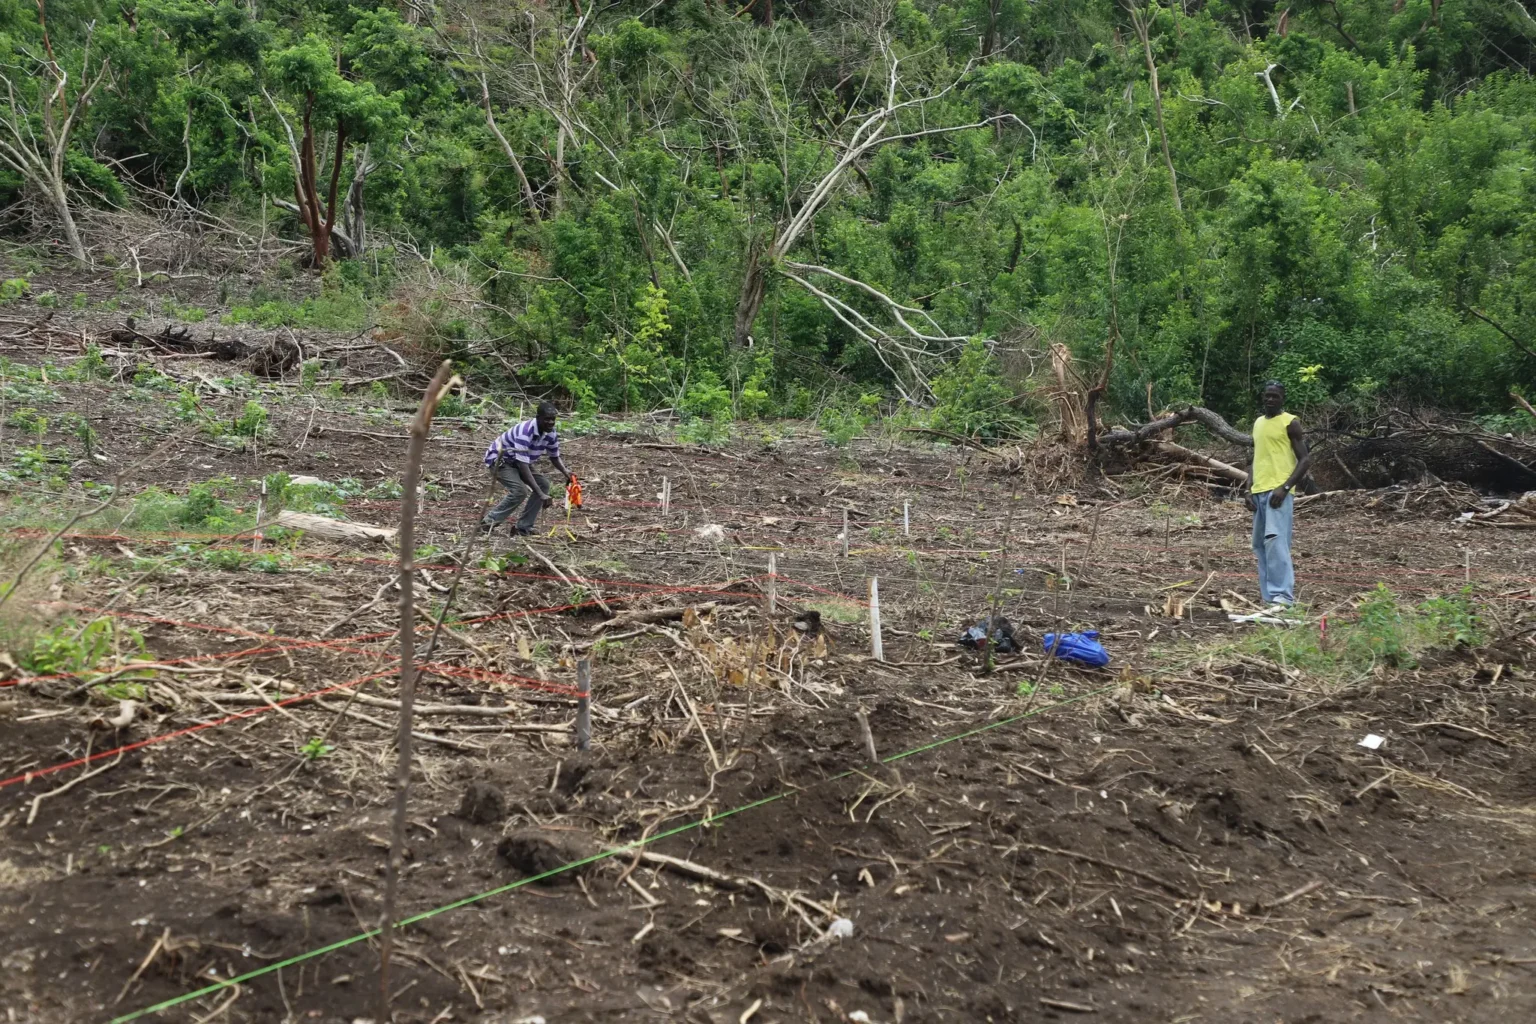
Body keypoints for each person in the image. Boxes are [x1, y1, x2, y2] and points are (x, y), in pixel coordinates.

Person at [1245, 381, 1310, 607]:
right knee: (1260, 544)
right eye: (1267, 396)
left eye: (1275, 396)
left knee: (1276, 541)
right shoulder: (1258, 423)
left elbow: (1305, 459)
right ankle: (1269, 598)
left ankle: (1284, 596)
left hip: (1278, 493)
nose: (1270, 399)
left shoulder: (1290, 422)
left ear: (1283, 398)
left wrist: (1285, 487)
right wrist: (1248, 488)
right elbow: (1256, 458)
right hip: (1258, 491)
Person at [480, 401, 573, 536]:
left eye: (553, 419)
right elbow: (523, 465)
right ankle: (487, 523)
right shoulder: (525, 432)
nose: (551, 422)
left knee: (544, 484)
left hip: (520, 461)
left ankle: (523, 527)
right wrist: (540, 494)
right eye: (547, 419)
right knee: (519, 491)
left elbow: (554, 456)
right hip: (500, 461)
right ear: (538, 417)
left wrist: (566, 472)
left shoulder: (551, 433)